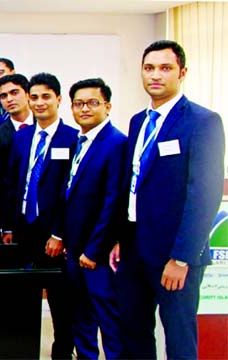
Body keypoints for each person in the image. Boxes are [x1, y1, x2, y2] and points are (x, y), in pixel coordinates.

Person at [115, 40, 224, 360]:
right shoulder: (138, 121)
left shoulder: (203, 121)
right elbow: (133, 183)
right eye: (149, 68)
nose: (155, 76)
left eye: (165, 68)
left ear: (182, 72)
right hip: (134, 248)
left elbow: (204, 194)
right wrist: (122, 237)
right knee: (134, 332)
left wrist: (182, 258)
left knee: (178, 338)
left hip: (174, 255)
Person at [4, 72, 77, 359]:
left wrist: (59, 233)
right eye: (34, 97)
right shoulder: (21, 137)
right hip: (23, 230)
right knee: (23, 300)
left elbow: (71, 193)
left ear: (59, 99)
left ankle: (62, 353)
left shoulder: (73, 138)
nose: (39, 103)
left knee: (61, 303)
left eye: (45, 96)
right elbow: (13, 183)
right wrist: (8, 225)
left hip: (53, 235)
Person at [51, 78, 125, 359]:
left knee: (108, 322)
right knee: (80, 319)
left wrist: (94, 250)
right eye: (78, 103)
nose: (84, 109)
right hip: (74, 252)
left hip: (97, 256)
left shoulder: (116, 143)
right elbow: (69, 195)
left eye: (92, 103)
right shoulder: (80, 141)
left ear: (107, 106)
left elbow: (112, 202)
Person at [0, 74, 32, 240]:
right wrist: (5, 226)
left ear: (27, 94)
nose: (9, 99)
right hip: (15, 217)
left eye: (15, 92)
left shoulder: (44, 126)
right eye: (4, 96)